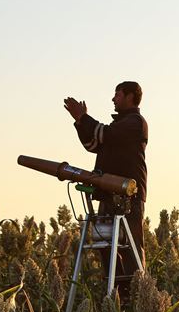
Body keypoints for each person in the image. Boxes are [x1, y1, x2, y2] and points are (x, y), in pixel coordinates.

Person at [63, 82, 148, 295]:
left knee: (130, 248)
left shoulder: (134, 122)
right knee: (105, 245)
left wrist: (83, 118)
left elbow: (104, 134)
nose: (113, 99)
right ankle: (117, 293)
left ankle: (136, 295)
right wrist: (80, 122)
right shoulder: (119, 126)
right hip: (108, 195)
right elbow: (93, 144)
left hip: (128, 197)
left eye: (117, 95)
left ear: (130, 97)